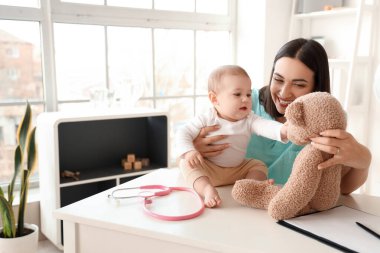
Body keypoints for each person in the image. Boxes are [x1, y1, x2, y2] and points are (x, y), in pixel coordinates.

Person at [193, 38, 371, 194]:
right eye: (278, 80)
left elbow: (343, 189)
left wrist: (363, 160)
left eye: (299, 84)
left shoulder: (325, 121)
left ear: (316, 88)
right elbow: (188, 146)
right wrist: (195, 147)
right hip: (229, 203)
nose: (284, 93)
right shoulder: (243, 103)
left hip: (287, 213)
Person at [176, 65, 287, 208]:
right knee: (186, 164)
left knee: (258, 165)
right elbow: (183, 132)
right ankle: (207, 189)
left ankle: (251, 187)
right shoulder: (208, 118)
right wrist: (190, 151)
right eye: (237, 94)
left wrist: (284, 130)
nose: (246, 99)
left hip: (237, 170)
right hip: (209, 168)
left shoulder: (249, 119)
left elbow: (266, 126)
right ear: (214, 99)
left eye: (248, 94)